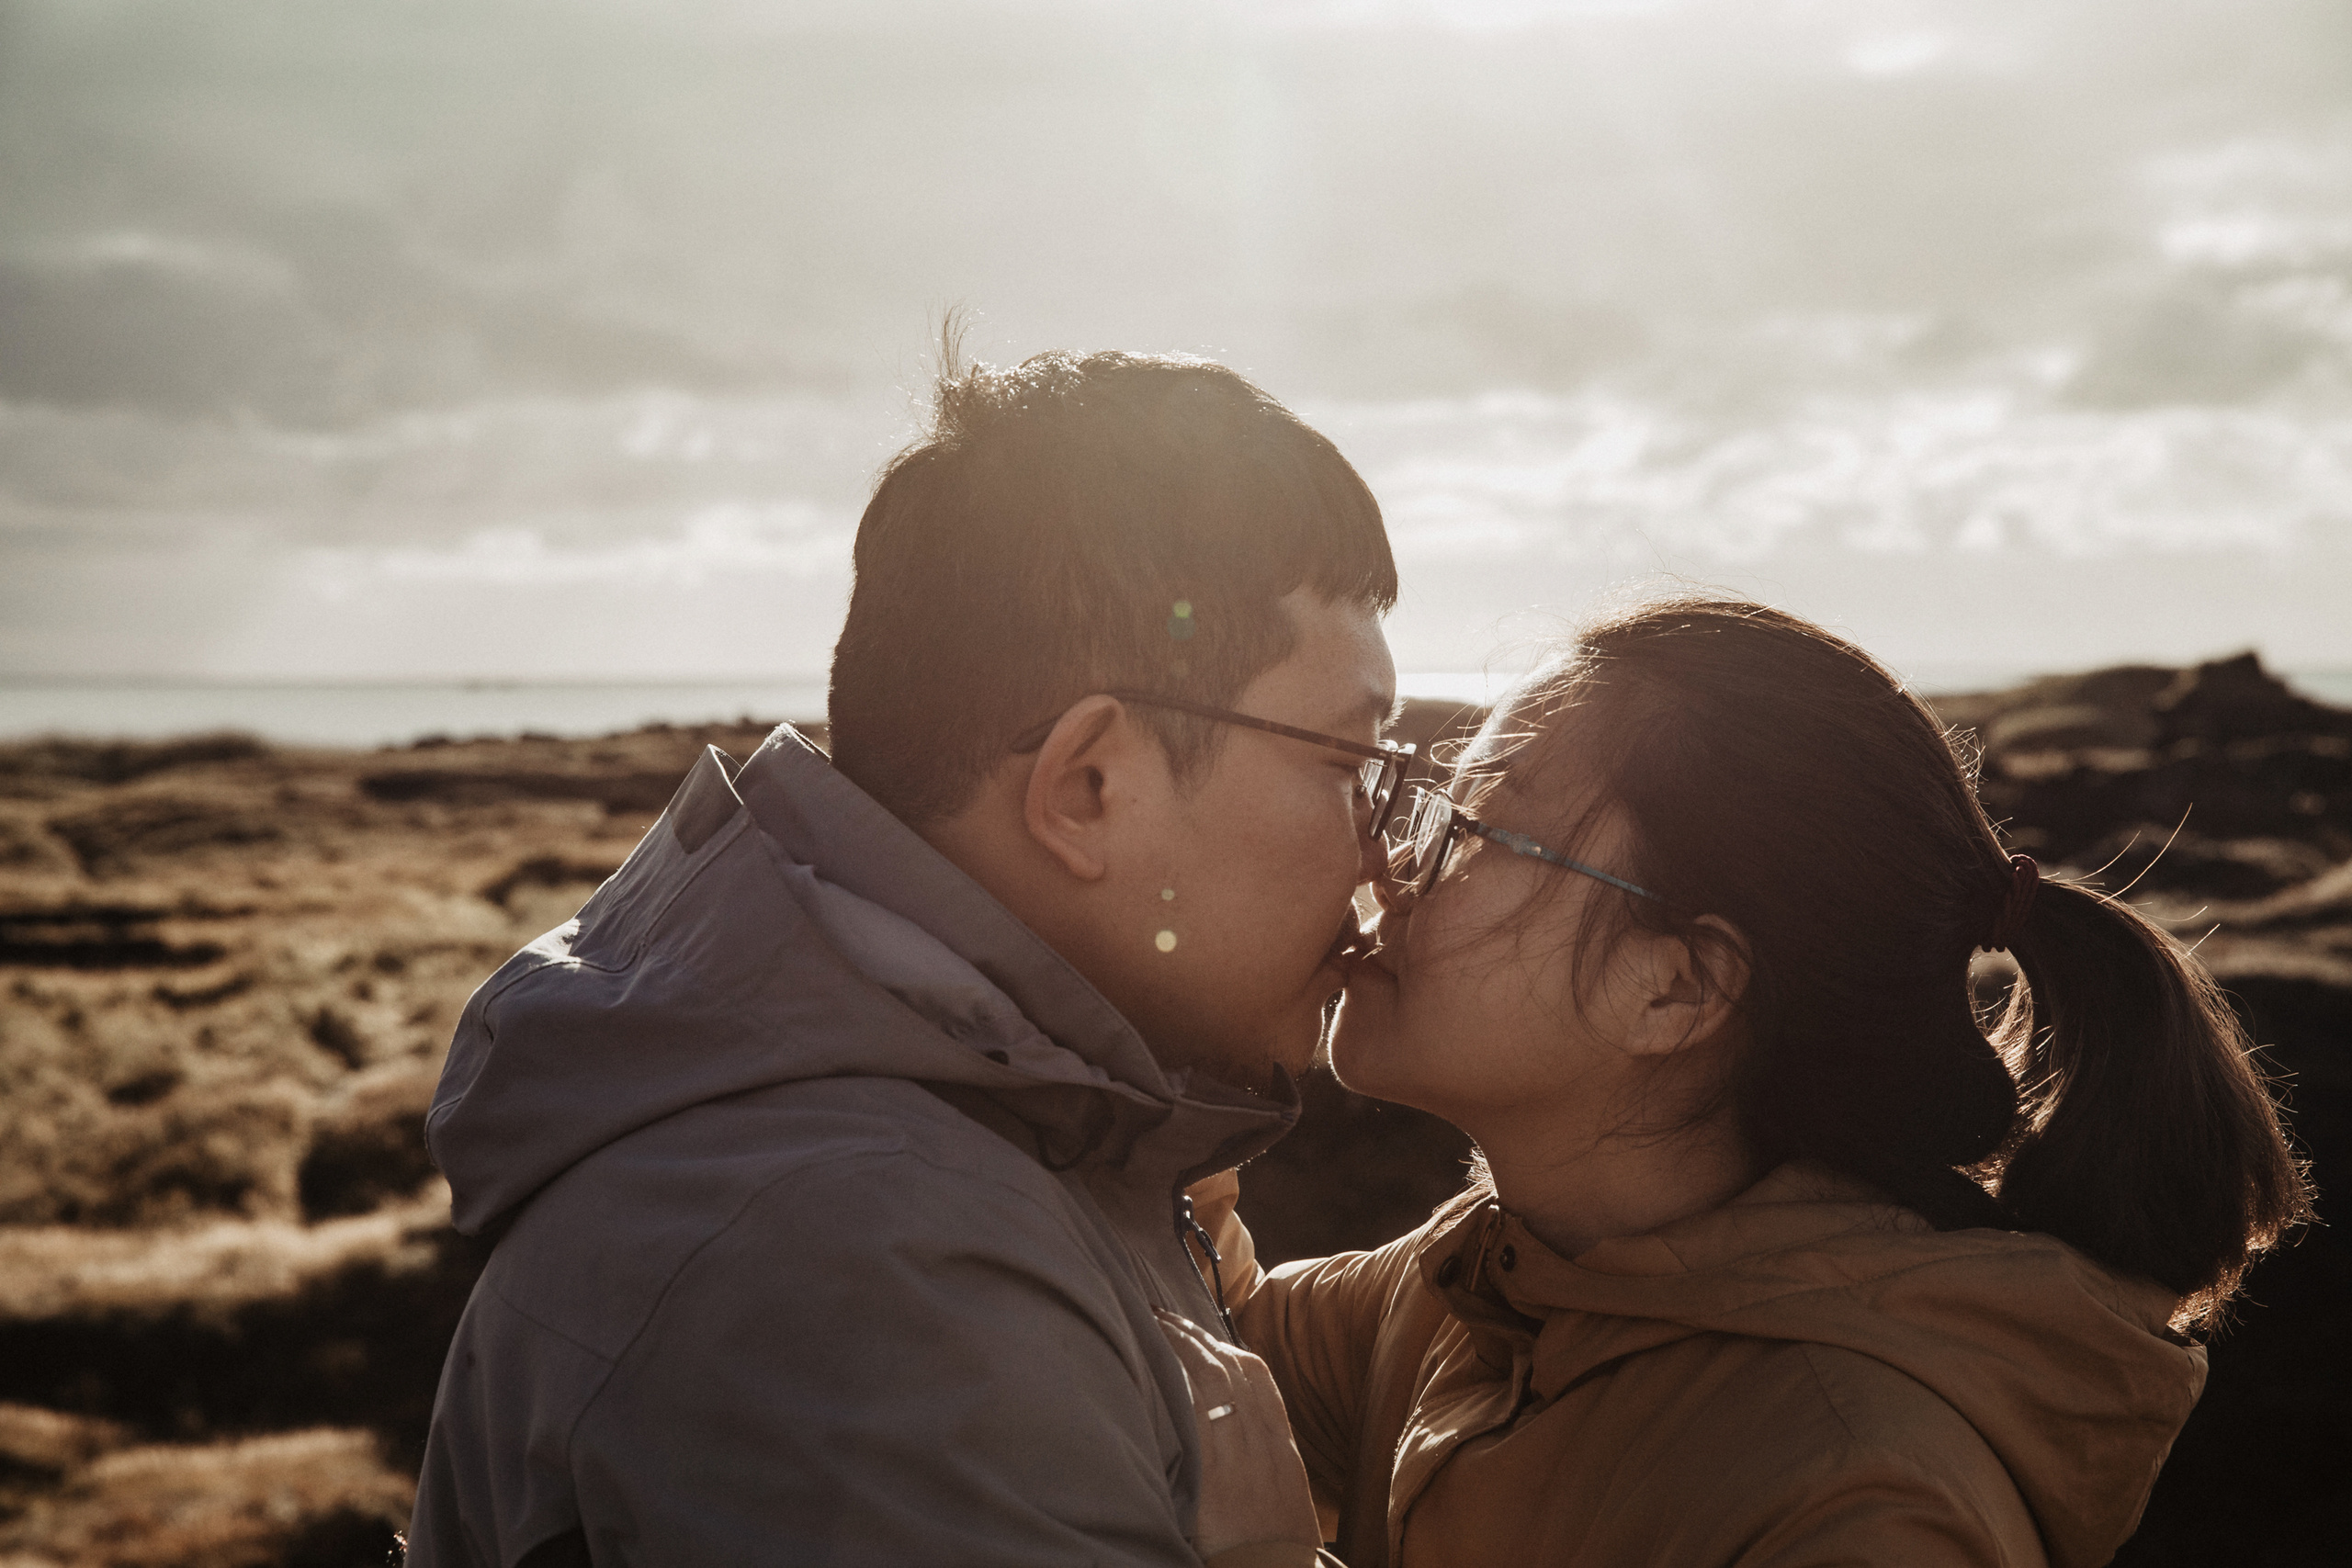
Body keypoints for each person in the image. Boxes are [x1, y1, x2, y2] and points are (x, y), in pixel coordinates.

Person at [404, 344, 1395, 1566]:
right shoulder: (876, 1267)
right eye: (1351, 767)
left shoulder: (975, 1127)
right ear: (1088, 786)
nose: (1382, 856)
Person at [1209, 597, 2312, 1567]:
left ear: (1678, 989)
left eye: (1470, 828)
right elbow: (1194, 1344)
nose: (1387, 870)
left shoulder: (1856, 1501)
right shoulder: (1503, 1278)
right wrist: (1178, 1015)